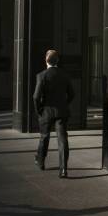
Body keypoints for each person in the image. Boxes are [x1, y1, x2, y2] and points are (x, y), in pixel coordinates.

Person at [33, 49, 75, 178]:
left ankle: (41, 162)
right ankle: (63, 170)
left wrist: (39, 110)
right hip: (61, 111)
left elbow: (35, 97)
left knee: (44, 137)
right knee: (62, 140)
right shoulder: (65, 74)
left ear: (46, 60)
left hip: (46, 111)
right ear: (58, 61)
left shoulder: (42, 75)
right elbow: (72, 94)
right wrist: (64, 104)